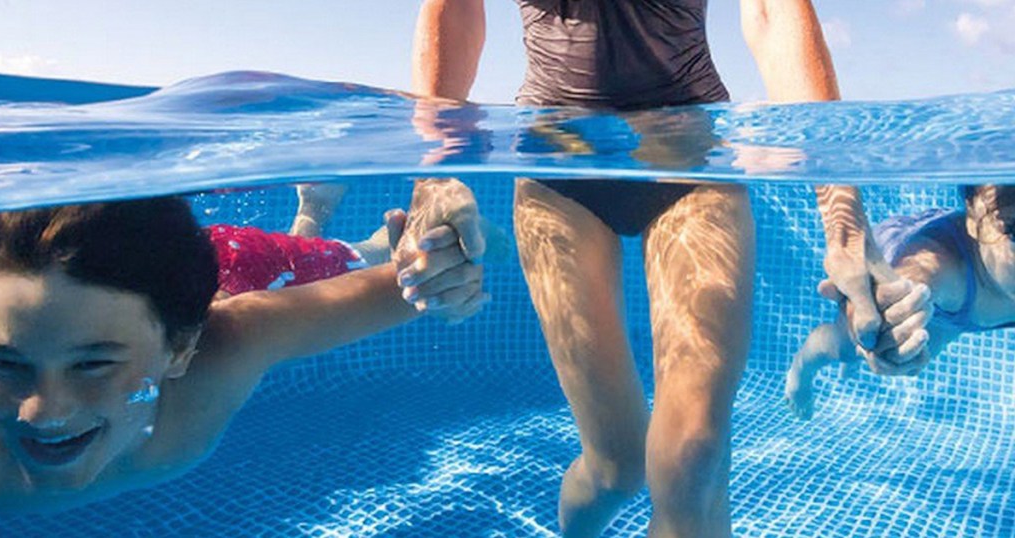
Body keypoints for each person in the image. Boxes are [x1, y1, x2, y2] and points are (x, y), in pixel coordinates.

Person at [411, 1, 916, 536]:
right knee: (617, 468)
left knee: (692, 455)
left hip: (690, 155)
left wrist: (842, 216)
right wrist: (434, 172)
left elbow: (771, 9)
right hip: (556, 160)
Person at [0, 191, 485, 513]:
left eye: (92, 364)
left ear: (180, 352)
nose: (42, 414)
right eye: (4, 363)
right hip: (158, 281)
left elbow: (412, 279)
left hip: (231, 264)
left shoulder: (231, 343)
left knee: (343, 259)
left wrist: (440, 254)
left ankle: (320, 214)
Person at [787, 185, 1015, 419]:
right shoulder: (940, 268)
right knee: (853, 345)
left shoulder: (1002, 255)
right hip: (894, 257)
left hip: (965, 298)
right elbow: (910, 282)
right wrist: (885, 327)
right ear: (974, 214)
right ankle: (801, 369)